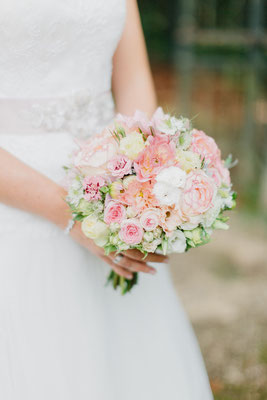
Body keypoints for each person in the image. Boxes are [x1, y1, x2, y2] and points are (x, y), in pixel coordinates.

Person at [0, 0, 213, 398]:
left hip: (111, 187)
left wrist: (144, 179)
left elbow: (133, 82)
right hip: (14, 197)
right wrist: (72, 213)